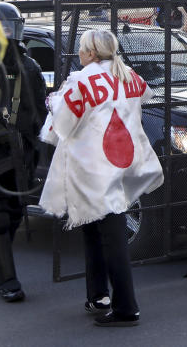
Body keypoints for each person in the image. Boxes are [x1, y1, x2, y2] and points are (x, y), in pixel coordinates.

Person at [39, 30, 162, 326]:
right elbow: (147, 93)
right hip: (123, 161)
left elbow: (61, 128)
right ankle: (99, 296)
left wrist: (53, 103)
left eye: (81, 49)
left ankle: (126, 307)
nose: (79, 54)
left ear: (91, 53)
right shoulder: (128, 74)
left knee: (108, 234)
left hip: (92, 167)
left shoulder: (80, 80)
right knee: (95, 228)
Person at [0, 3, 45, 303]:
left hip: (23, 153)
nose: (8, 32)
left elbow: (39, 112)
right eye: (2, 27)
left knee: (16, 213)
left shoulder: (29, 67)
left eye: (11, 26)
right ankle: (8, 281)